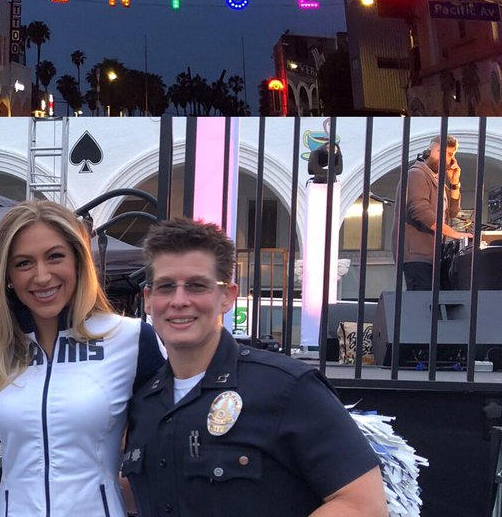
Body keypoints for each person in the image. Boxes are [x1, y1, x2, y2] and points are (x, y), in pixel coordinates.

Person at [122, 218, 387, 517]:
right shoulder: (143, 402)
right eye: (166, 287)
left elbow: (363, 505)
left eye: (197, 286)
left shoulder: (287, 388)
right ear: (148, 299)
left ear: (228, 296)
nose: (179, 300)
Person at [0, 200, 162, 517]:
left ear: (78, 260)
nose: (42, 276)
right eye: (23, 263)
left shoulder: (130, 339)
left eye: (55, 256)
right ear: (7, 274)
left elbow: (162, 453)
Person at [397, 134, 471, 290]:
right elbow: (420, 211)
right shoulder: (416, 174)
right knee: (423, 303)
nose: (446, 158)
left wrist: (454, 183)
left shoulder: (438, 182)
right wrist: (454, 234)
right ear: (428, 152)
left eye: (450, 154)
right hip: (417, 254)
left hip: (432, 254)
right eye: (441, 152)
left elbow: (452, 213)